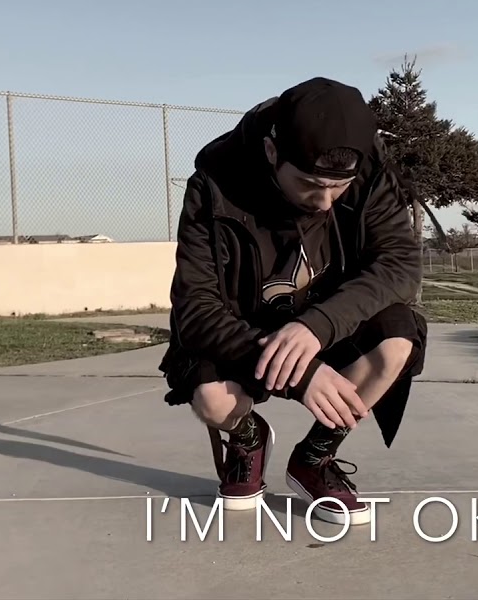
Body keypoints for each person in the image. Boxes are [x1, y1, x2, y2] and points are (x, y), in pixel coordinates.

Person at [159, 76, 427, 527]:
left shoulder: (371, 171)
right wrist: (300, 376)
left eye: (338, 188)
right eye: (309, 184)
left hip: (325, 316)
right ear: (271, 151)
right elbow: (195, 308)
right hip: (243, 325)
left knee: (396, 342)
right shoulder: (214, 183)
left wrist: (318, 325)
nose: (324, 202)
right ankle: (247, 438)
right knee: (212, 400)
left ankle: (314, 458)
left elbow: (400, 264)